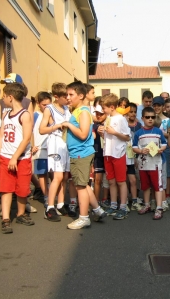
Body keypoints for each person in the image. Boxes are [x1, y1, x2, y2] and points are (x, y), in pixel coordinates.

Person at [60, 81, 106, 229]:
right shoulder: (77, 111)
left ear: (80, 96)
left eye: (71, 94)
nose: (68, 97)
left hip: (81, 154)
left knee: (80, 186)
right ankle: (97, 210)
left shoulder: (84, 112)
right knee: (83, 184)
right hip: (77, 153)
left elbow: (83, 134)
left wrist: (68, 124)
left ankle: (84, 217)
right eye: (67, 94)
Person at [0, 83, 34, 234]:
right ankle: (5, 219)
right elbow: (2, 135)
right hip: (5, 156)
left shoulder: (25, 115)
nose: (2, 99)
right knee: (6, 188)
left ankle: (21, 214)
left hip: (21, 158)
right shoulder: (5, 114)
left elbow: (27, 139)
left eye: (4, 96)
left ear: (10, 97)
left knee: (22, 188)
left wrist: (15, 158)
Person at [39, 83, 71, 221]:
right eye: (65, 96)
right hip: (55, 143)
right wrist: (57, 125)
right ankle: (49, 207)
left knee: (64, 177)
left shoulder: (66, 108)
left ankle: (60, 204)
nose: (68, 98)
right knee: (57, 176)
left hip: (66, 143)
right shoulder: (49, 109)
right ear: (56, 97)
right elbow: (42, 129)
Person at [133, 107, 167, 220]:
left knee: (157, 186)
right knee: (145, 186)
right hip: (143, 164)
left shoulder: (158, 131)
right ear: (142, 118)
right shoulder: (138, 133)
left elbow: (164, 143)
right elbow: (134, 147)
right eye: (147, 117)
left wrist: (161, 149)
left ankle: (159, 207)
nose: (150, 119)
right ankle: (147, 205)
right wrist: (141, 151)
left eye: (153, 117)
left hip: (156, 164)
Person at [102, 93, 131, 220]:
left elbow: (127, 137)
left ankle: (123, 206)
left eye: (104, 108)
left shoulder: (121, 119)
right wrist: (102, 132)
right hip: (107, 153)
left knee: (120, 181)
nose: (103, 110)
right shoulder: (107, 118)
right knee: (111, 181)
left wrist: (114, 132)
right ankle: (113, 205)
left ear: (112, 107)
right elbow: (107, 135)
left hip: (118, 153)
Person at [31, 92, 51, 209]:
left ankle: (57, 198)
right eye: (44, 105)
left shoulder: (53, 114)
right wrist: (31, 145)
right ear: (38, 104)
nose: (46, 107)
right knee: (42, 175)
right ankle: (47, 197)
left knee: (54, 175)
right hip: (40, 150)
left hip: (52, 150)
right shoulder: (35, 115)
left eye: (48, 104)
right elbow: (29, 131)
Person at [152, 96, 170, 206]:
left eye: (159, 105)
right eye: (154, 105)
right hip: (153, 148)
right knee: (154, 171)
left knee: (167, 172)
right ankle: (155, 195)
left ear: (163, 107)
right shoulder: (150, 118)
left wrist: (161, 134)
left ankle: (167, 194)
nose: (156, 107)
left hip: (165, 148)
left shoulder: (168, 120)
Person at [126, 102, 142, 211]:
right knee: (123, 179)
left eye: (134, 112)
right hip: (123, 155)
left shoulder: (139, 125)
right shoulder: (123, 124)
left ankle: (135, 200)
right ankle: (125, 199)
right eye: (130, 112)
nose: (132, 114)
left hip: (134, 156)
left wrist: (137, 156)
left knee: (134, 179)